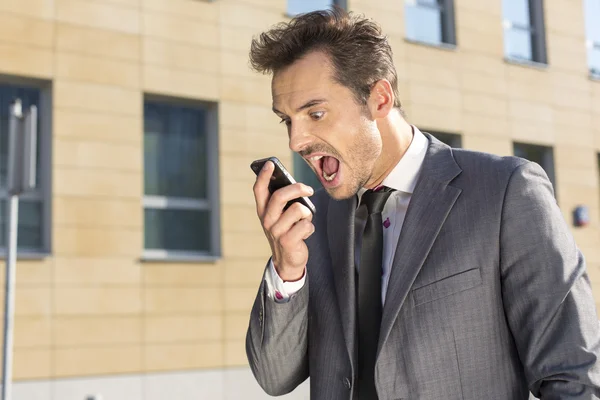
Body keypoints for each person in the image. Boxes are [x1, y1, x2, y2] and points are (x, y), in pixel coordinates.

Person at [245, 7, 600, 400]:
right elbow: (274, 377)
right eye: (287, 120)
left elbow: (573, 376)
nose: (296, 141)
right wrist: (287, 270)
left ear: (379, 99)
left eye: (316, 113)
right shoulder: (312, 220)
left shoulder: (506, 192)